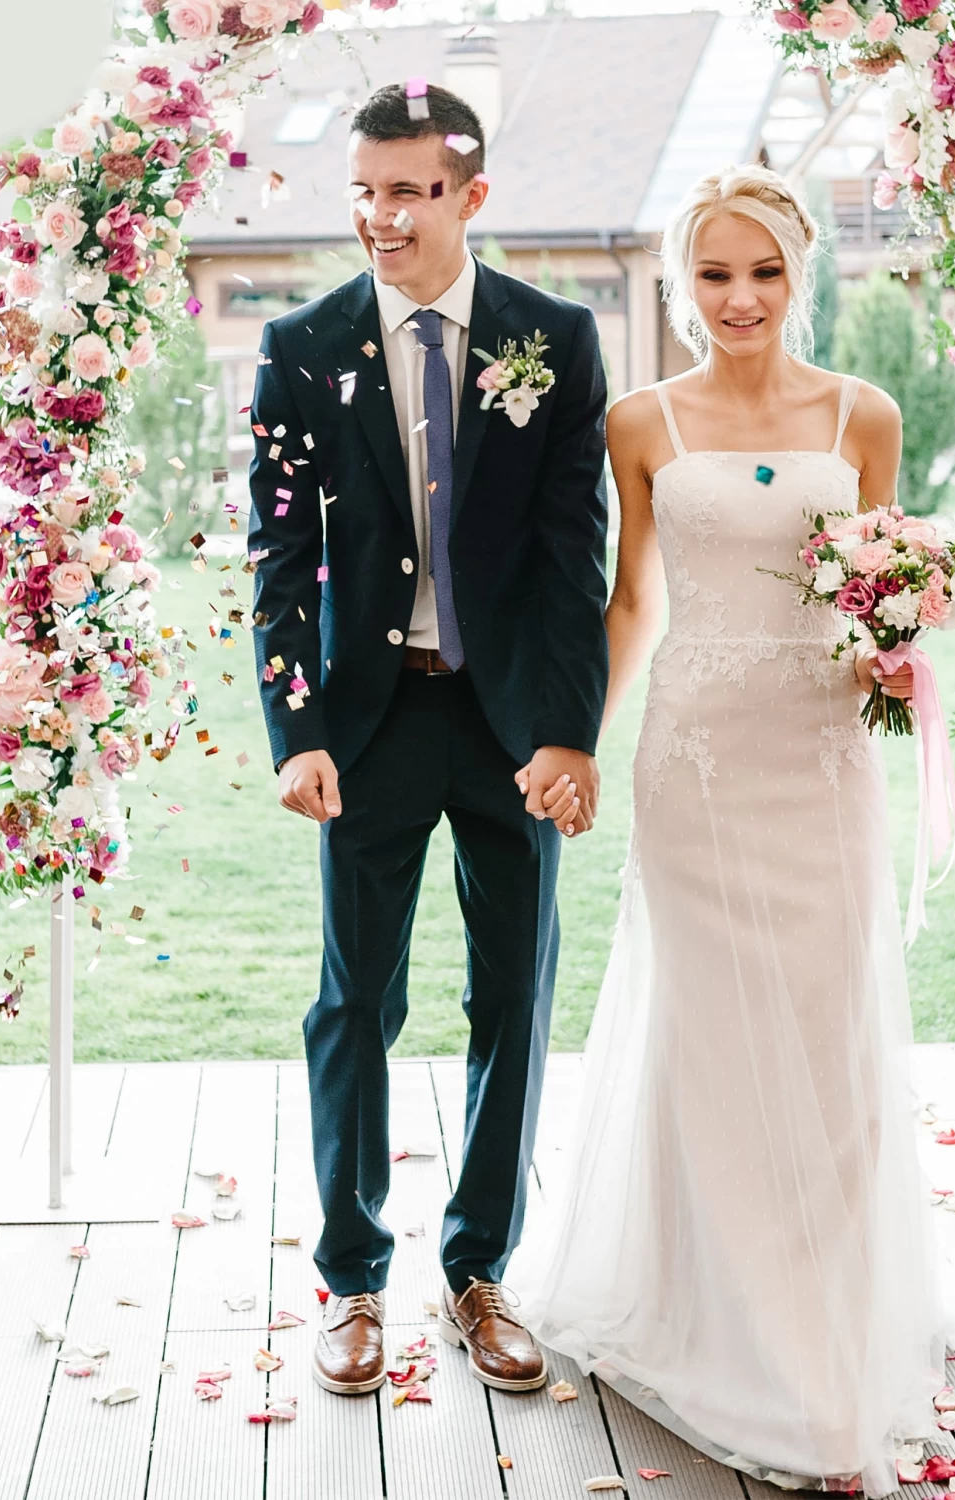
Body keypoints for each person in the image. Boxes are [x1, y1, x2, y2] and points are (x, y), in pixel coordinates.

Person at [510, 165, 955, 1496]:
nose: (740, 298)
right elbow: (632, 603)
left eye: (764, 272)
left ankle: (828, 1317)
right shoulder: (642, 422)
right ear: (682, 282)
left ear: (799, 274)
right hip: (698, 765)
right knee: (710, 1038)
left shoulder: (863, 415)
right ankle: (726, 1316)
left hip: (821, 760)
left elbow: (879, 595)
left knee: (827, 1039)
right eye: (714, 274)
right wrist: (577, 741)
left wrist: (895, 652)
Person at [248, 82, 609, 1397]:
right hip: (370, 723)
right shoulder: (300, 345)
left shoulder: (554, 338)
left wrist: (566, 733)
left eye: (408, 190)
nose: (381, 215)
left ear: (471, 195)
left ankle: (477, 1269)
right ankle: (352, 1279)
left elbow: (574, 557)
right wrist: (297, 730)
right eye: (364, 189)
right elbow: (279, 557)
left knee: (513, 993)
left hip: (511, 726)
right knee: (357, 1000)